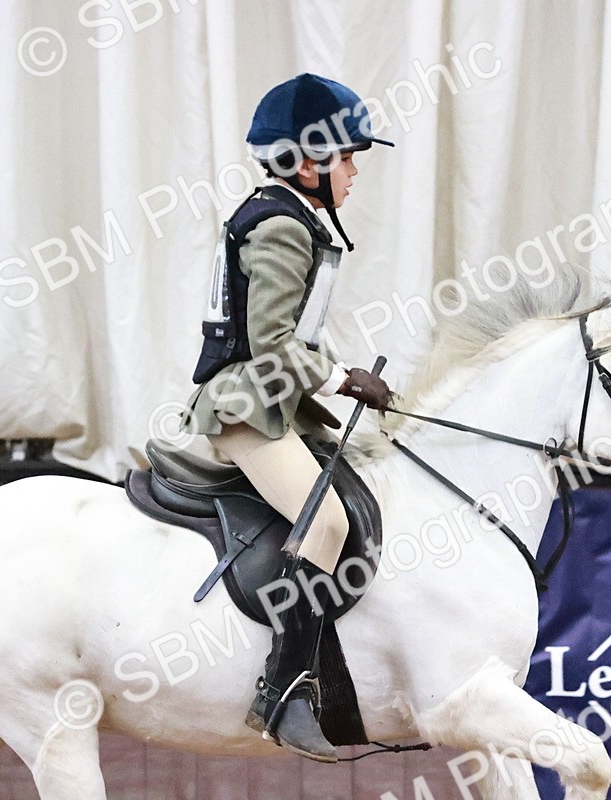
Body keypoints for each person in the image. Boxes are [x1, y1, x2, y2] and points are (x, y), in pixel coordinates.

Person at [180, 73, 393, 762]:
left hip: (268, 398)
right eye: (348, 157)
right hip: (245, 406)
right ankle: (286, 692)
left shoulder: (287, 213)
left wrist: (340, 379)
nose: (356, 171)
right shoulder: (280, 223)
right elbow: (272, 342)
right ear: (309, 161)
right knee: (326, 522)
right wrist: (340, 378)